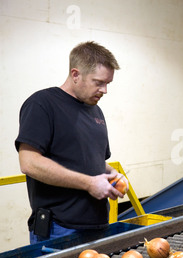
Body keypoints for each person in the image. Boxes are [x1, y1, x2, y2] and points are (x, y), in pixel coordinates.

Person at [15, 41, 127, 244]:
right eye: (99, 82)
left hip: (97, 225)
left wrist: (111, 175)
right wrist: (89, 183)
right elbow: (29, 163)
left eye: (108, 83)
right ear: (76, 74)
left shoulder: (95, 111)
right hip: (59, 228)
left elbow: (91, 162)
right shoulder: (42, 105)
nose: (105, 90)